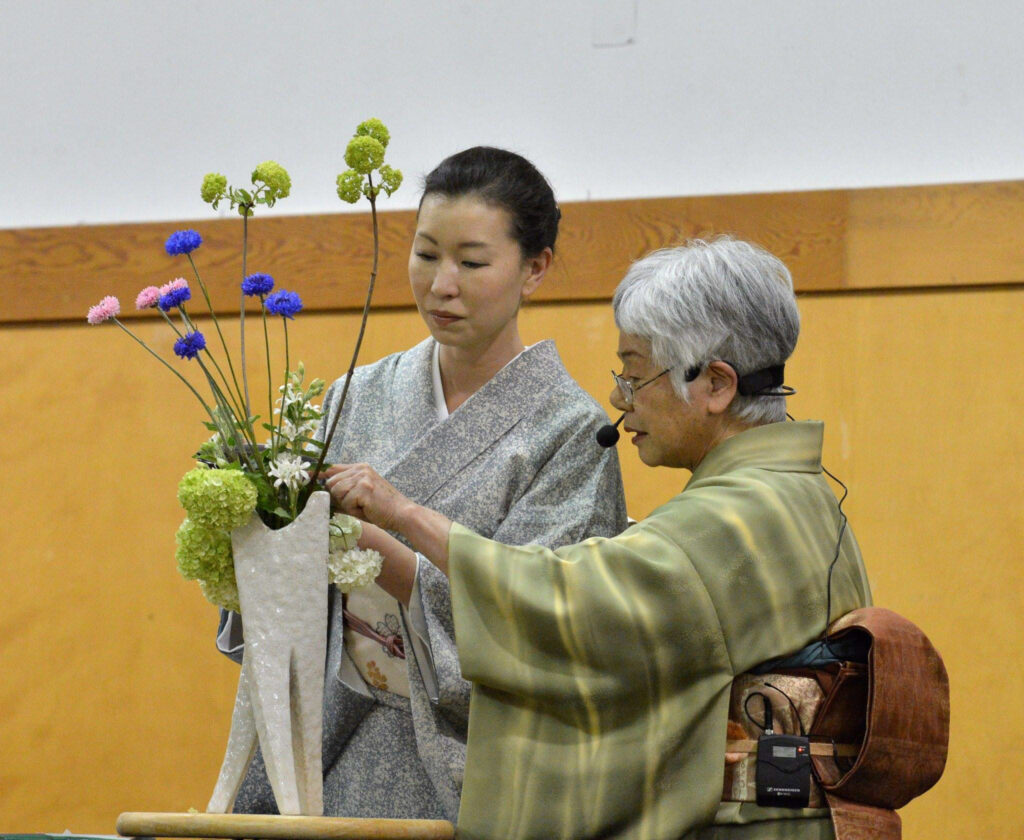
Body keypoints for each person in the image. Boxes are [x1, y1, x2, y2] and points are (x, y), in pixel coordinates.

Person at [324, 237, 874, 839]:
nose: (618, 398)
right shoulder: (795, 495)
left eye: (636, 374)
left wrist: (402, 514)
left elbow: (569, 605)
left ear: (716, 384)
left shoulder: (736, 518)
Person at [217, 147, 628, 821]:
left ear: (536, 268)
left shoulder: (568, 433)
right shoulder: (358, 393)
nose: (442, 284)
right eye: (425, 254)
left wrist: (377, 543)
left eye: (471, 262)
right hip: (324, 748)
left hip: (469, 770)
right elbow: (277, 610)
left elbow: (551, 628)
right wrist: (261, 525)